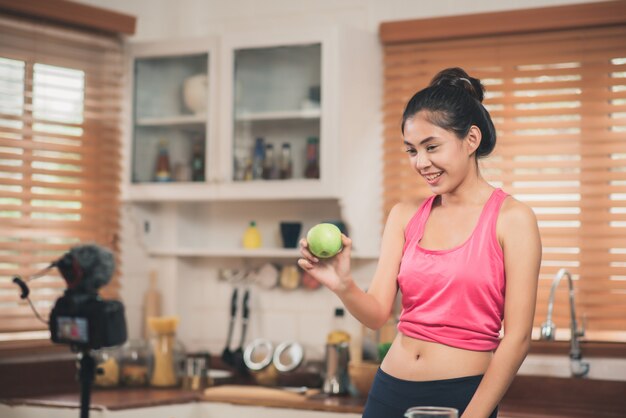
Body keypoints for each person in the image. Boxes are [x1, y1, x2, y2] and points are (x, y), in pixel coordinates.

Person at [298, 67, 542, 418]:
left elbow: (517, 338)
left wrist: (474, 415)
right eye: (412, 150)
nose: (421, 163)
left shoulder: (513, 219)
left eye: (432, 147)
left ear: (471, 140)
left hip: (461, 395)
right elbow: (377, 314)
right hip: (388, 391)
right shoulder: (404, 214)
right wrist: (343, 284)